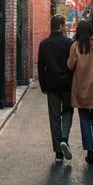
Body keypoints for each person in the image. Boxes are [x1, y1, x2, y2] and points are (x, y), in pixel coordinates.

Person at [67, 20, 93, 165]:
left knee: (84, 120)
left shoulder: (75, 45)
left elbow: (70, 65)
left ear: (78, 30)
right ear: (91, 29)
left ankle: (89, 152)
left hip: (81, 89)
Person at [38, 14, 74, 163]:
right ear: (60, 26)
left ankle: (58, 153)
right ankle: (64, 139)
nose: (65, 27)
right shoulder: (68, 42)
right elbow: (73, 65)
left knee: (54, 117)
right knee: (68, 111)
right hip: (67, 85)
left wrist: (43, 86)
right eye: (64, 25)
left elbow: (41, 67)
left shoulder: (44, 44)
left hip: (51, 85)